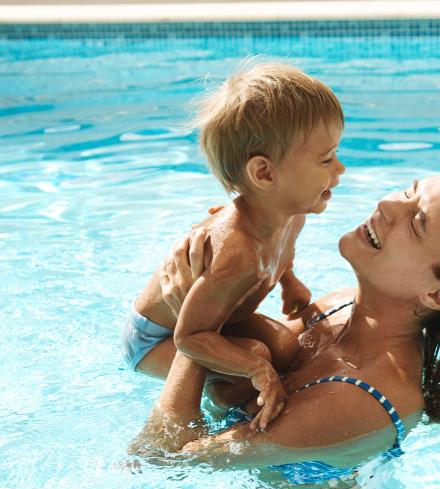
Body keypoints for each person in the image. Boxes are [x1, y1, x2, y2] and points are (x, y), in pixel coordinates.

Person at [130, 171, 440, 477]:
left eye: (417, 222)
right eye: (408, 191)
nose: (388, 205)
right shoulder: (337, 308)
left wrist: (198, 319)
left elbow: (166, 459)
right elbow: (231, 379)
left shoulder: (357, 401)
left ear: (437, 296)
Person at [121, 63, 346, 429]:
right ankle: (226, 415)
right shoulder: (237, 254)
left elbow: (280, 253)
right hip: (154, 341)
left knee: (287, 349)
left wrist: (290, 282)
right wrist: (257, 370)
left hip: (214, 321)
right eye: (326, 159)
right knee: (257, 358)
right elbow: (190, 336)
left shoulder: (291, 215)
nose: (341, 168)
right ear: (265, 174)